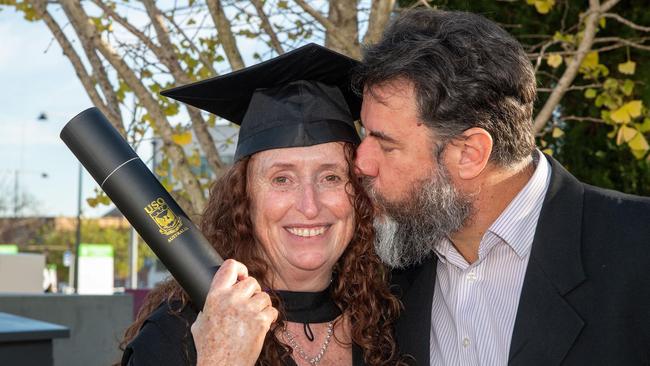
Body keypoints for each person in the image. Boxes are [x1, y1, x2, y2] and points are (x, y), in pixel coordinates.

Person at [352, 8, 650, 366]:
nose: (361, 163)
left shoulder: (637, 246)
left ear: (470, 153)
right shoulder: (386, 279)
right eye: (365, 134)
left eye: (385, 144)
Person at [119, 44, 405, 366]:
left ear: (360, 195)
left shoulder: (391, 322)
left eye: (331, 177)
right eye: (282, 179)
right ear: (244, 198)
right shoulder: (182, 334)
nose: (309, 206)